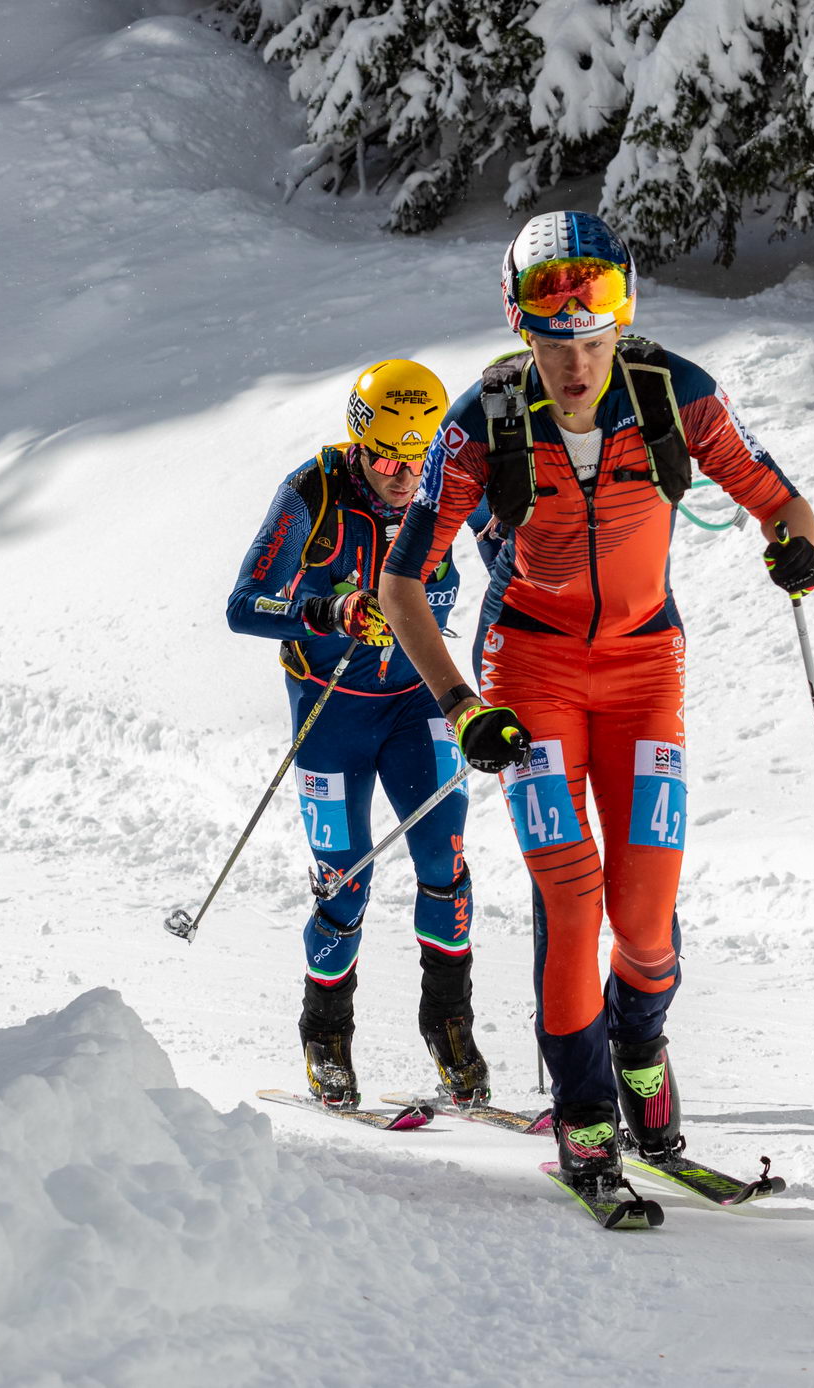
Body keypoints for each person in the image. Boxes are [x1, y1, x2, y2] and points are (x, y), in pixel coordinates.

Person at [379, 211, 814, 1189]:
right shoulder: (484, 417)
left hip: (642, 672)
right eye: (551, 336)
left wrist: (793, 543)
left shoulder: (676, 393)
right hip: (528, 675)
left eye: (592, 332)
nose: (575, 359)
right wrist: (461, 705)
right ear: (520, 326)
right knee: (573, 897)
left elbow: (780, 498)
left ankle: (640, 1054)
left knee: (646, 912)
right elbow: (402, 585)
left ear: (621, 318)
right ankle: (584, 1117)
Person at [227, 358, 493, 1112]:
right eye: (384, 458)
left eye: (416, 459)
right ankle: (326, 1034)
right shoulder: (311, 490)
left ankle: (448, 1026)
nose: (403, 476)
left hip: (418, 702)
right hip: (331, 709)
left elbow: (511, 557)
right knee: (344, 877)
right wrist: (326, 612)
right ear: (356, 444)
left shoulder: (450, 477)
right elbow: (243, 605)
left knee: (444, 861)